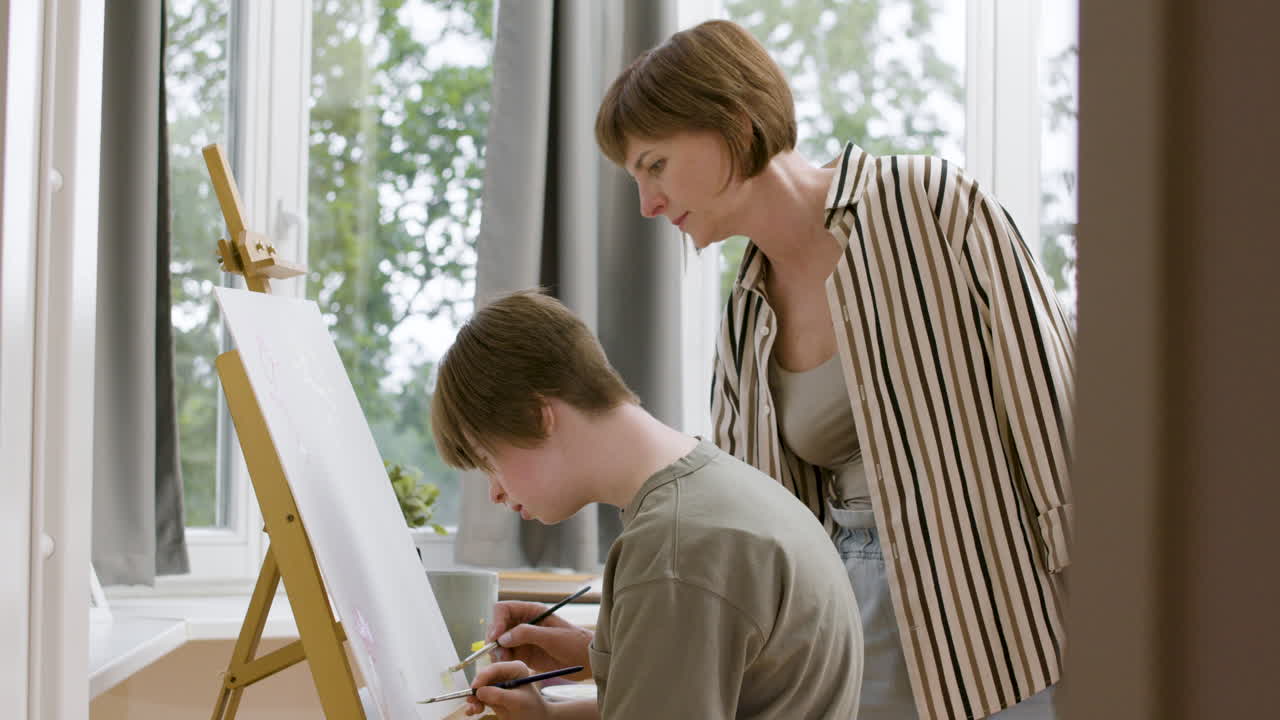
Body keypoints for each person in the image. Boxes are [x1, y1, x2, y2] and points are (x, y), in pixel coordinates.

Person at [508, 19, 1074, 720]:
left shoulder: (929, 206)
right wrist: (600, 650)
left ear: (729, 123)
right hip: (848, 626)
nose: (648, 204)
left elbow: (1057, 419)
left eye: (654, 165)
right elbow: (747, 541)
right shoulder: (745, 321)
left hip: (998, 630)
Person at [430, 290, 863, 719]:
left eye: (490, 461)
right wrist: (593, 664)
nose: (495, 492)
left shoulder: (674, 548)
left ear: (539, 415)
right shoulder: (721, 492)